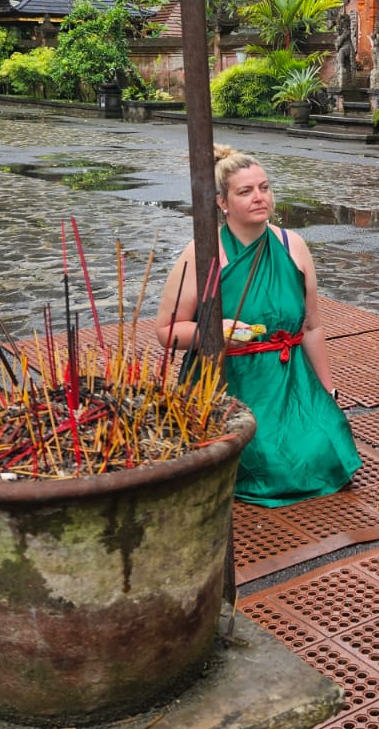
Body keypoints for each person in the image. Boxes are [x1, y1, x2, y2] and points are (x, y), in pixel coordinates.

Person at [155, 147, 362, 505]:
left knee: (324, 452)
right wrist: (210, 333)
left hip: (291, 381)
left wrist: (329, 392)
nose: (259, 197)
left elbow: (311, 327)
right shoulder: (202, 252)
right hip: (230, 381)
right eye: (245, 191)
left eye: (264, 188)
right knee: (268, 465)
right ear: (222, 202)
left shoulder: (291, 244)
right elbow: (167, 331)